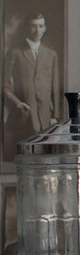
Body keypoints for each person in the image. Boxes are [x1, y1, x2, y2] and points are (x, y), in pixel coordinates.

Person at [4, 12, 59, 158]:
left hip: (45, 118)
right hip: (24, 115)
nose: (37, 30)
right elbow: (5, 87)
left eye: (40, 26)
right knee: (24, 158)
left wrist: (55, 116)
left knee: (45, 159)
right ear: (27, 28)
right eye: (33, 26)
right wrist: (18, 104)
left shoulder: (51, 54)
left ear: (45, 28)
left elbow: (55, 88)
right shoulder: (15, 52)